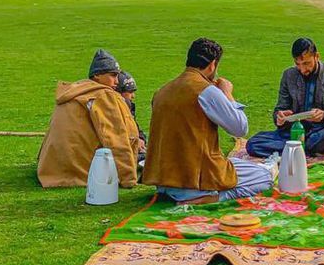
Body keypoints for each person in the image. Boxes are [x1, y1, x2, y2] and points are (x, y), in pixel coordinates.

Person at [142, 38, 274, 203]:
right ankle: (210, 198)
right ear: (212, 65)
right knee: (264, 177)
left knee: (236, 164)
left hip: (164, 180)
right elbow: (240, 128)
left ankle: (190, 194)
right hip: (196, 181)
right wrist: (227, 94)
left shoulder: (162, 92)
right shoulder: (206, 91)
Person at [37, 48, 140, 188]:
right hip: (83, 171)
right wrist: (128, 178)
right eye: (113, 75)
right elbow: (114, 138)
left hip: (52, 169)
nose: (117, 81)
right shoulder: (103, 95)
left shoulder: (72, 93)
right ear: (97, 75)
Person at [246, 37, 324, 157]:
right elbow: (279, 110)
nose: (302, 69)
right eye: (297, 64)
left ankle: (294, 150)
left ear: (317, 56)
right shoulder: (288, 75)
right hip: (295, 131)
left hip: (323, 131)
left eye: (306, 63)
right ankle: (304, 150)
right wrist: (280, 118)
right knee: (253, 144)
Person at [117, 70, 146, 163]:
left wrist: (141, 139)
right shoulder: (113, 111)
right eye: (130, 92)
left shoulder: (128, 106)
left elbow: (136, 128)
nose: (133, 96)